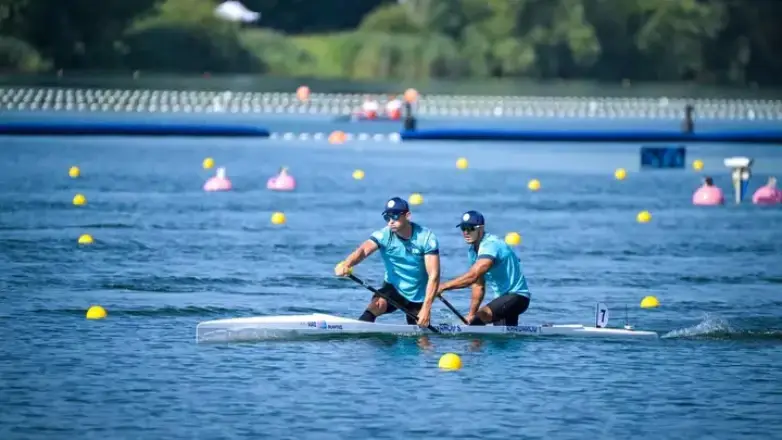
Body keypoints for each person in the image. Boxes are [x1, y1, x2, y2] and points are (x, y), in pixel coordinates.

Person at [334, 197, 441, 327]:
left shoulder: (426, 238)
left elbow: (434, 275)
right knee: (377, 304)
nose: (391, 222)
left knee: (421, 341)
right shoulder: (384, 235)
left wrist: (426, 309)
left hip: (419, 293)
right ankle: (358, 338)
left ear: (407, 216)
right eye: (387, 217)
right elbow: (363, 250)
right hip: (394, 288)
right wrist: (347, 263)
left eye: (395, 216)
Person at [437, 210, 531, 326]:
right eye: (463, 228)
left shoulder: (490, 245)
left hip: (517, 297)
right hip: (503, 300)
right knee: (502, 340)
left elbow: (473, 276)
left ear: (480, 229)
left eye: (470, 228)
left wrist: (444, 286)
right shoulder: (473, 251)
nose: (466, 232)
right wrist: (471, 314)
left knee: (481, 316)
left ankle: (474, 344)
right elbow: (478, 285)